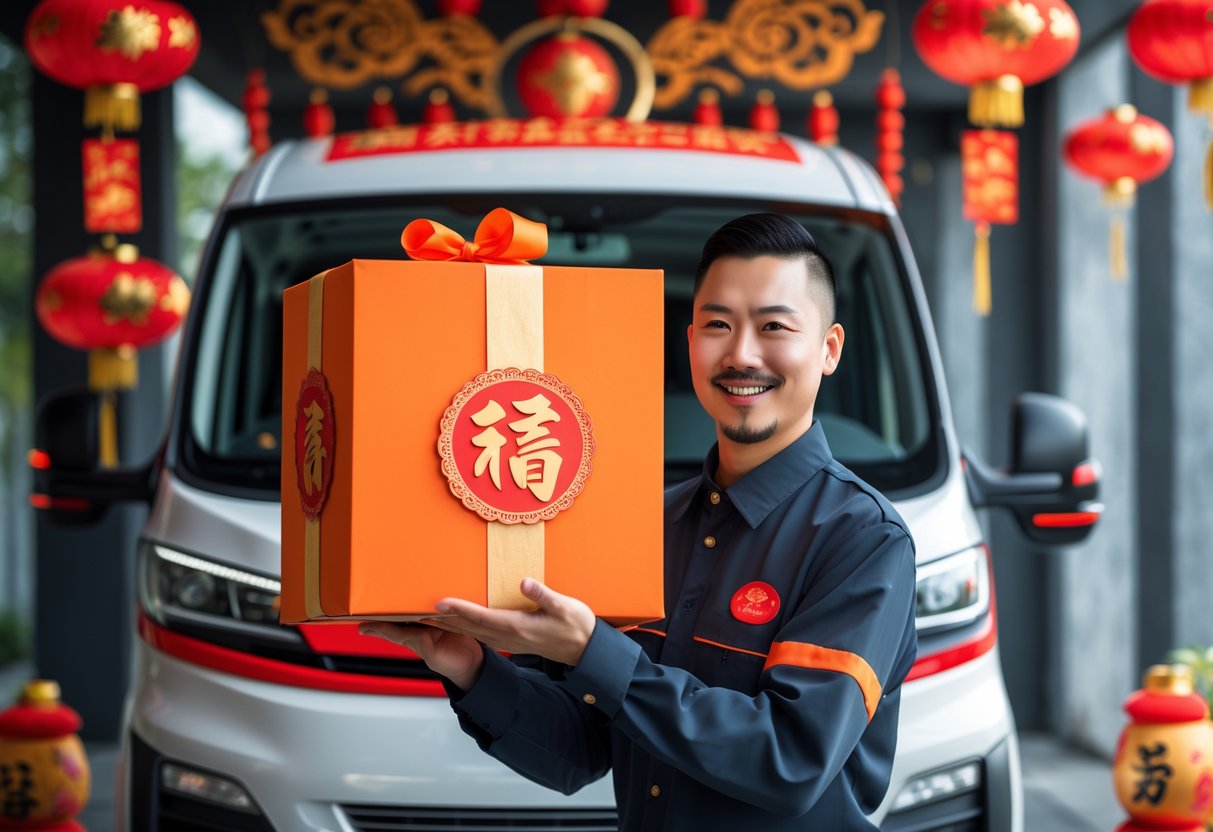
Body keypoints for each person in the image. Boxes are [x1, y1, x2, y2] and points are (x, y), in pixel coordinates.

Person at [361, 213, 918, 830]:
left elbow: (790, 763)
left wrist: (593, 651)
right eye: (718, 325)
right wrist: (469, 668)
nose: (741, 353)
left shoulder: (864, 539)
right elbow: (581, 751)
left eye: (774, 326)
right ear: (689, 342)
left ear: (829, 349)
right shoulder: (647, 524)